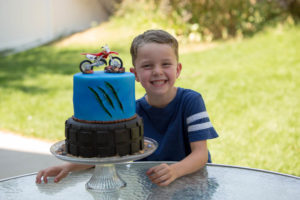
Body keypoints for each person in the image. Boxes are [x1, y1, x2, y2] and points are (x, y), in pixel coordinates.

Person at [36, 29, 218, 186]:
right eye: (147, 66)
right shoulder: (130, 113)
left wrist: (175, 171)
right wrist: (66, 167)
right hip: (152, 186)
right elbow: (108, 155)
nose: (157, 71)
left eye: (166, 64)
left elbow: (200, 154)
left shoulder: (191, 101)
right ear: (135, 74)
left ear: (178, 70)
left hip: (192, 183)